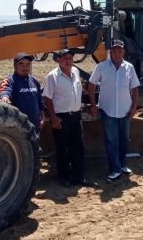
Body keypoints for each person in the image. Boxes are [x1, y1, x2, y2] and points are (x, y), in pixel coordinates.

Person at [43, 49, 97, 187]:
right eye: (65, 58)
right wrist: (53, 117)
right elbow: (47, 98)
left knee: (78, 147)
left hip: (75, 115)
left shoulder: (76, 72)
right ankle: (64, 176)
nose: (68, 60)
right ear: (58, 60)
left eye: (70, 58)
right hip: (61, 117)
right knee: (62, 148)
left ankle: (78, 177)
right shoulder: (52, 76)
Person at [88, 39, 140, 182]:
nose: (117, 53)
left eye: (119, 51)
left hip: (125, 111)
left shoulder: (129, 67)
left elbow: (135, 89)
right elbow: (91, 86)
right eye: (114, 51)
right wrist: (93, 105)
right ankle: (115, 169)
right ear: (110, 52)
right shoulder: (101, 67)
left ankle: (122, 165)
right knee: (111, 141)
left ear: (123, 52)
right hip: (108, 110)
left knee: (124, 141)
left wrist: (134, 107)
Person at [0, 53, 45, 134]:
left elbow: (40, 102)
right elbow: (5, 90)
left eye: (28, 64)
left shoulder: (34, 81)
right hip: (19, 129)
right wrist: (5, 97)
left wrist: (42, 118)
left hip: (35, 127)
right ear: (14, 65)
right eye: (21, 64)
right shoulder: (10, 80)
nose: (25, 67)